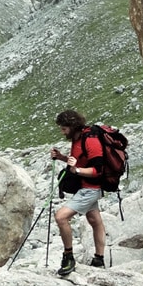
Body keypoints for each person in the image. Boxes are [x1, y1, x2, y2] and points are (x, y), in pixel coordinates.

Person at [50, 109, 106, 276]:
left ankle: (68, 257)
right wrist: (61, 157)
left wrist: (76, 170)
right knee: (94, 219)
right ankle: (99, 259)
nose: (62, 132)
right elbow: (79, 160)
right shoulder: (77, 139)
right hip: (85, 186)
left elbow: (98, 170)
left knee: (61, 217)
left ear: (73, 126)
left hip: (91, 188)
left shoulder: (90, 141)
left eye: (64, 128)